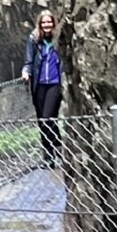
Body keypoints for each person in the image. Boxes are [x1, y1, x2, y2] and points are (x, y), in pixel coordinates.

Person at [21, 9, 68, 165]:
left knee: (48, 117)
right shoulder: (34, 39)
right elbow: (29, 60)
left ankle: (58, 148)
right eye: (44, 22)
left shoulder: (59, 40)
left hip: (54, 83)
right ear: (40, 24)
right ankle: (48, 156)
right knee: (43, 120)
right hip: (39, 84)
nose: (47, 25)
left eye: (49, 22)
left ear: (53, 23)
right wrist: (26, 71)